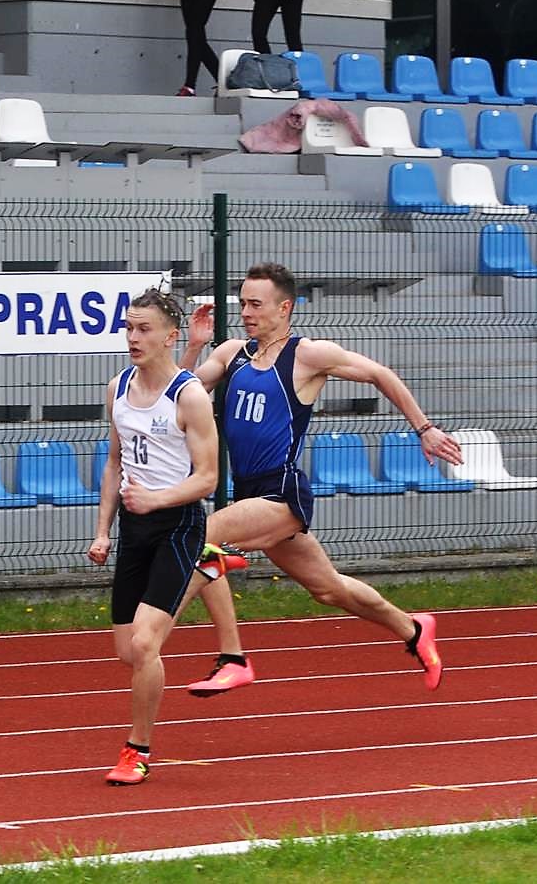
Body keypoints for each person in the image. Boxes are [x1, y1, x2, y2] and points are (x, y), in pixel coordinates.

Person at [181, 262, 462, 691]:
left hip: (282, 493)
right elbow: (181, 398)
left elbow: (380, 374)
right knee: (329, 590)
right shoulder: (231, 353)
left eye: (256, 304)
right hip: (249, 492)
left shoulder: (307, 355)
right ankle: (414, 629)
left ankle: (232, 657)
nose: (246, 313)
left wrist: (424, 429)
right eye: (243, 304)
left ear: (284, 308)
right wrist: (192, 346)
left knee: (204, 539)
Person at [87, 289, 250, 786]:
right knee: (127, 652)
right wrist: (103, 531)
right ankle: (209, 565)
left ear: (168, 336)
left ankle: (136, 750)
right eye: (128, 328)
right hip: (135, 529)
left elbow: (208, 479)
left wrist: (157, 499)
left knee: (145, 643)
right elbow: (114, 463)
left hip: (178, 525)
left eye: (144, 329)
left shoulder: (190, 396)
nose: (133, 338)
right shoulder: (118, 387)